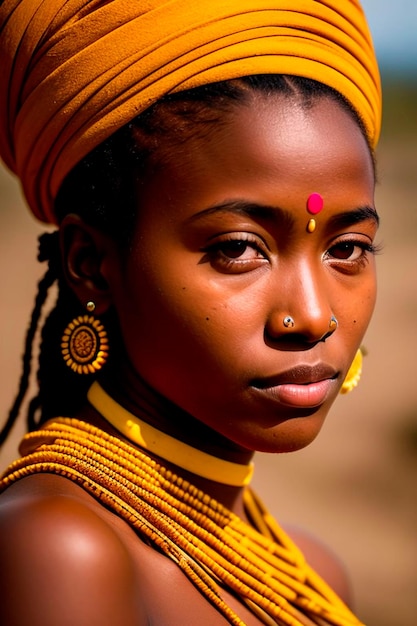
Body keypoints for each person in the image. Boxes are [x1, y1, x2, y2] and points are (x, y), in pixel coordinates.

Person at [0, 1, 381, 625]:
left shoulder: (310, 575)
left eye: (347, 249)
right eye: (238, 250)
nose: (313, 317)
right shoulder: (60, 550)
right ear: (91, 263)